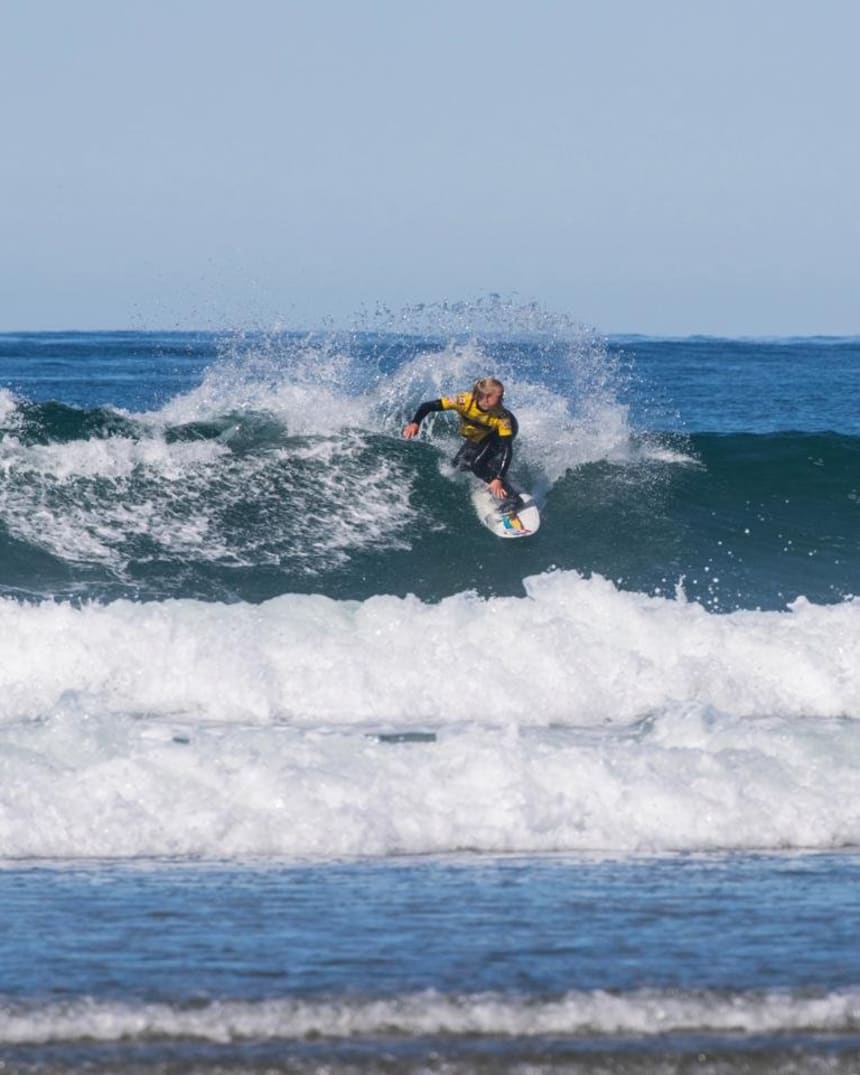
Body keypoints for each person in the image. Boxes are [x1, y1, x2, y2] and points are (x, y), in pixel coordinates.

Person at [402, 377, 521, 511]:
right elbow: (428, 406)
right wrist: (415, 422)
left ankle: (514, 498)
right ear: (487, 397)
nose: (502, 400)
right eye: (499, 397)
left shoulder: (502, 415)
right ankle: (492, 469)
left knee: (477, 465)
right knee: (459, 465)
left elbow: (507, 449)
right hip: (480, 434)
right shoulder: (463, 401)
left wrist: (498, 478)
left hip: (500, 433)